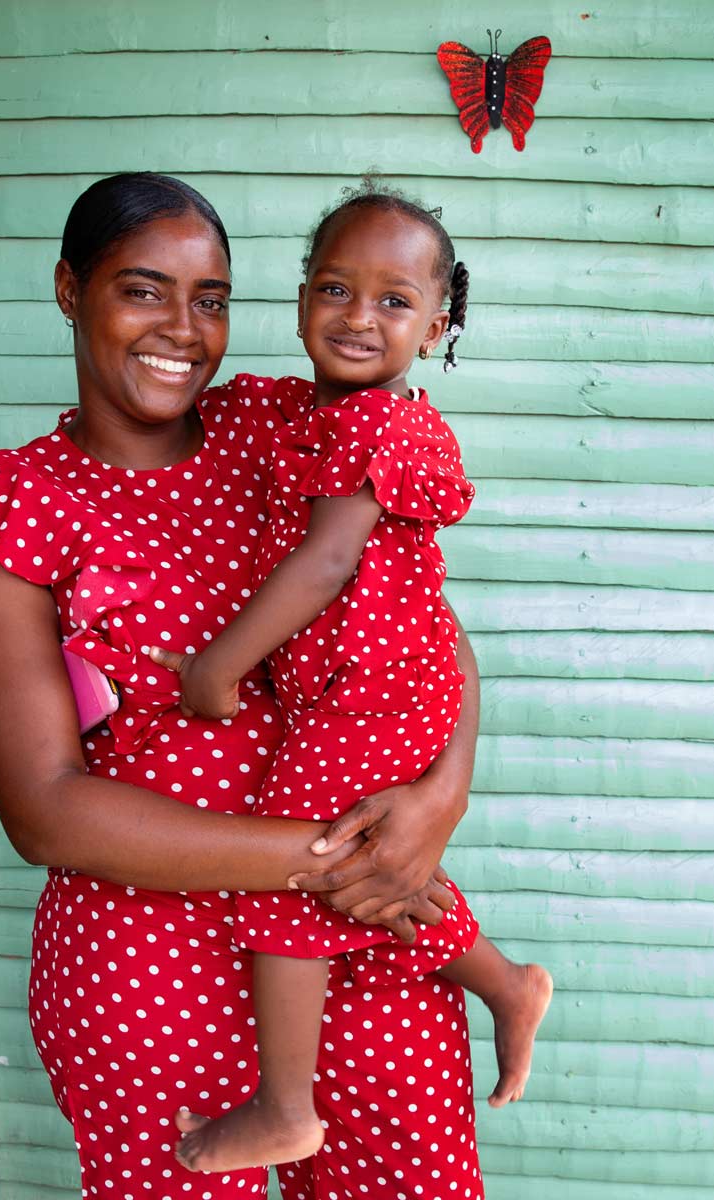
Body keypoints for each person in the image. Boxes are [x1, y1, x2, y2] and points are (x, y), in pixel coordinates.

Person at [0, 173, 489, 1198]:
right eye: (143, 290)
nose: (181, 328)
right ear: (68, 288)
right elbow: (46, 812)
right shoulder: (8, 514)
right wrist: (335, 856)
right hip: (150, 964)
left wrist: (439, 801)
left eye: (211, 298)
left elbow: (423, 627)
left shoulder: (285, 432)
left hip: (350, 942)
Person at [151, 183, 554, 1175]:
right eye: (334, 288)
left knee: (308, 856)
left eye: (393, 300)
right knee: (359, 861)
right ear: (298, 299)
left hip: (379, 692)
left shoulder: (385, 427)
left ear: (439, 321)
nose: (358, 318)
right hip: (370, 690)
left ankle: (286, 1107)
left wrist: (216, 671)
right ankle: (502, 980)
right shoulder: (295, 413)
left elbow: (328, 564)